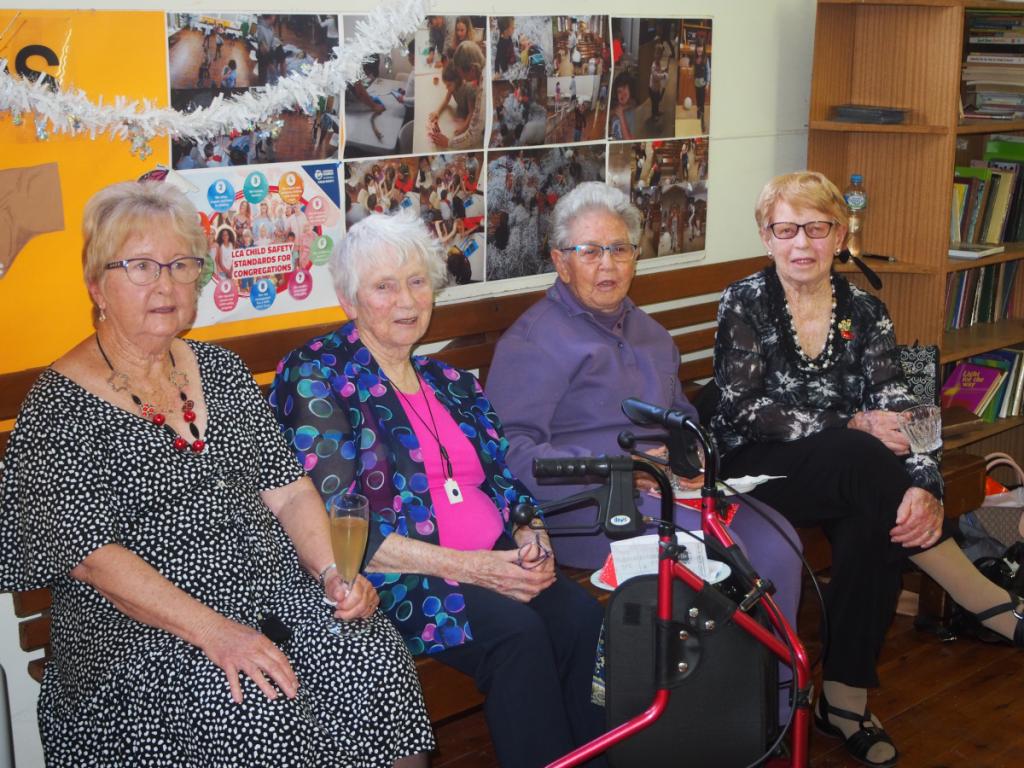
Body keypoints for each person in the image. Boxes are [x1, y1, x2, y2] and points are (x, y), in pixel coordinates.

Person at [0, 181, 433, 767]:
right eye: (141, 266)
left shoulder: (220, 371)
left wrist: (333, 571)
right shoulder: (58, 407)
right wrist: (217, 634)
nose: (166, 283)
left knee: (372, 657)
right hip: (146, 633)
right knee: (256, 707)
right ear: (97, 284)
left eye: (181, 265)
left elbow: (288, 490)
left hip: (273, 596)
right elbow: (93, 558)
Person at [270, 211, 605, 768]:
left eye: (417, 281)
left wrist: (532, 535)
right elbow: (340, 518)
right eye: (384, 286)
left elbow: (502, 478)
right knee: (517, 636)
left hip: (492, 561)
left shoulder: (451, 382)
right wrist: (474, 568)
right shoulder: (316, 374)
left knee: (581, 620)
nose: (406, 299)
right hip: (396, 578)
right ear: (350, 300)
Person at [713, 171, 1024, 768]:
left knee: (875, 522)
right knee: (861, 453)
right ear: (765, 237)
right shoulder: (744, 300)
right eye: (785, 229)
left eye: (817, 228)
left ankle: (844, 700)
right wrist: (851, 423)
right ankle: (984, 599)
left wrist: (926, 490)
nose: (801, 243)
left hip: (851, 476)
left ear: (841, 236)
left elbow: (907, 411)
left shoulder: (866, 311)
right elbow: (744, 409)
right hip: (759, 465)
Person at [486, 181, 803, 642]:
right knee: (720, 554)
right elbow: (510, 453)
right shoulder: (532, 342)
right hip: (589, 507)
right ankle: (703, 705)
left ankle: (772, 702)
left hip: (670, 495)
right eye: (590, 252)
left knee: (780, 537)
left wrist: (689, 456)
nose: (608, 264)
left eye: (619, 249)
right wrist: (624, 468)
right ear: (561, 262)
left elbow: (681, 415)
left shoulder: (649, 333)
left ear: (636, 256)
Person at [609, 71, 636, 140]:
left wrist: (621, 115)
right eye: (619, 91)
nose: (622, 93)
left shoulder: (633, 114)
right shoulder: (616, 106)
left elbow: (629, 141)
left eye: (624, 88)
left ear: (630, 88)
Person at [693, 41, 710, 131]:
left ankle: (702, 123)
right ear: (696, 48)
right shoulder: (695, 58)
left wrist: (707, 83)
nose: (699, 49)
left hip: (703, 85)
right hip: (696, 85)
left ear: (703, 49)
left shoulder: (705, 59)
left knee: (702, 104)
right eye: (698, 47)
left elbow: (708, 71)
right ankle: (698, 118)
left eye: (701, 47)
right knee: (698, 103)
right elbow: (694, 69)